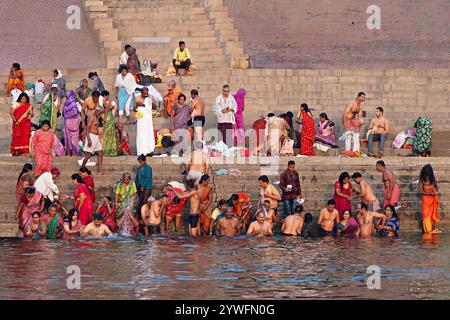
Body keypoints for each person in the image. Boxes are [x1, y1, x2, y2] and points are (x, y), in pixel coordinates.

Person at [418, 164, 442, 234]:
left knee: (432, 216)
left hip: (432, 201)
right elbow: (419, 191)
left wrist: (435, 191)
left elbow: (437, 187)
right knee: (426, 216)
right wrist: (429, 193)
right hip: (425, 200)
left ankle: (431, 231)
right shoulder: (422, 180)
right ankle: (426, 231)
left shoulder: (432, 180)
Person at [82, 106, 104, 174]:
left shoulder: (98, 117)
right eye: (100, 113)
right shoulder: (92, 117)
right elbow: (87, 129)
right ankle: (82, 168)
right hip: (91, 137)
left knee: (100, 153)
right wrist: (88, 139)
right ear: (97, 111)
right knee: (88, 155)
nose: (100, 114)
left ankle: (100, 171)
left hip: (96, 137)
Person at [135, 87, 156, 156]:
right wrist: (139, 108)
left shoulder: (151, 97)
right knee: (141, 134)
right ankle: (141, 151)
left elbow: (155, 107)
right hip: (141, 119)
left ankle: (148, 150)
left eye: (147, 93)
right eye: (144, 93)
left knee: (148, 133)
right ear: (141, 92)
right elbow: (134, 108)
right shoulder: (137, 98)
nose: (146, 94)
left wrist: (152, 103)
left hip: (148, 119)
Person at [63, 90, 81, 156]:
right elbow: (75, 113)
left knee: (68, 138)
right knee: (74, 138)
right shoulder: (73, 103)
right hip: (74, 123)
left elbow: (63, 113)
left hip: (67, 122)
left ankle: (69, 153)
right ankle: (75, 153)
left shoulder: (65, 103)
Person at [100, 91, 118, 157]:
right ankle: (108, 151)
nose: (108, 97)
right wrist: (112, 107)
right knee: (108, 135)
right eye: (107, 96)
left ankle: (107, 151)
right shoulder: (103, 100)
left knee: (106, 135)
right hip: (107, 119)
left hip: (106, 119)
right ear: (105, 95)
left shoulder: (100, 100)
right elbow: (107, 109)